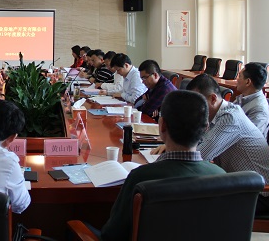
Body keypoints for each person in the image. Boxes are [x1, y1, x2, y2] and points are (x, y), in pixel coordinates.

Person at [92, 91, 225, 240]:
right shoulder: (221, 176)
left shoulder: (141, 177)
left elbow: (112, 234)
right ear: (206, 128)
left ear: (162, 125)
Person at [185, 73, 269, 213]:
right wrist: (174, 143)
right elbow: (199, 141)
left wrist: (175, 149)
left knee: (189, 201)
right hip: (241, 185)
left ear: (213, 99)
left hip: (259, 195)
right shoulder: (218, 115)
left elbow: (200, 156)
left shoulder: (230, 117)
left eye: (196, 104)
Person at [234, 62, 269, 137]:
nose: (236, 79)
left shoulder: (259, 109)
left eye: (239, 76)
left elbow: (250, 138)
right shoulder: (242, 98)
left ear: (248, 82)